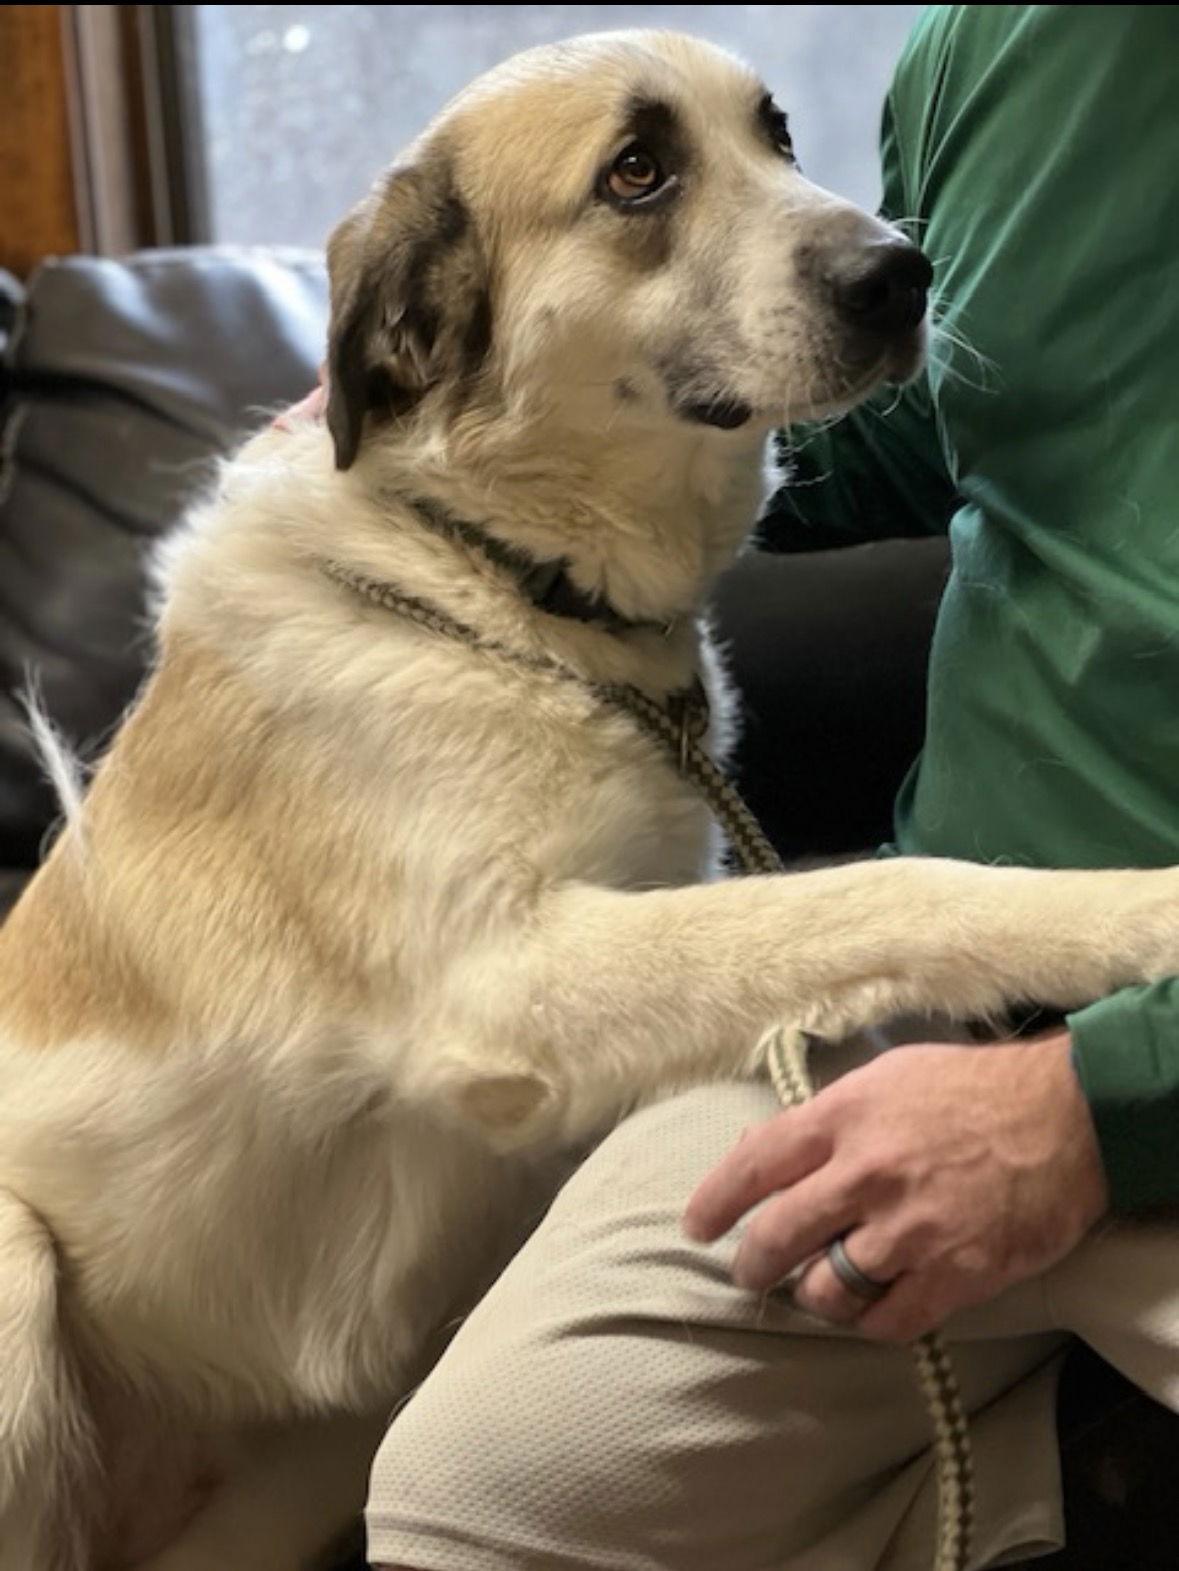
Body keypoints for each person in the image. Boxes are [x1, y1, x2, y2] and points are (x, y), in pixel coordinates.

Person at [365, 7, 1179, 1567]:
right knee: (472, 1510)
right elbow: (956, 419)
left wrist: (1098, 1107)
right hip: (952, 999)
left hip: (1136, 1031)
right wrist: (506, 484)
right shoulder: (999, 38)